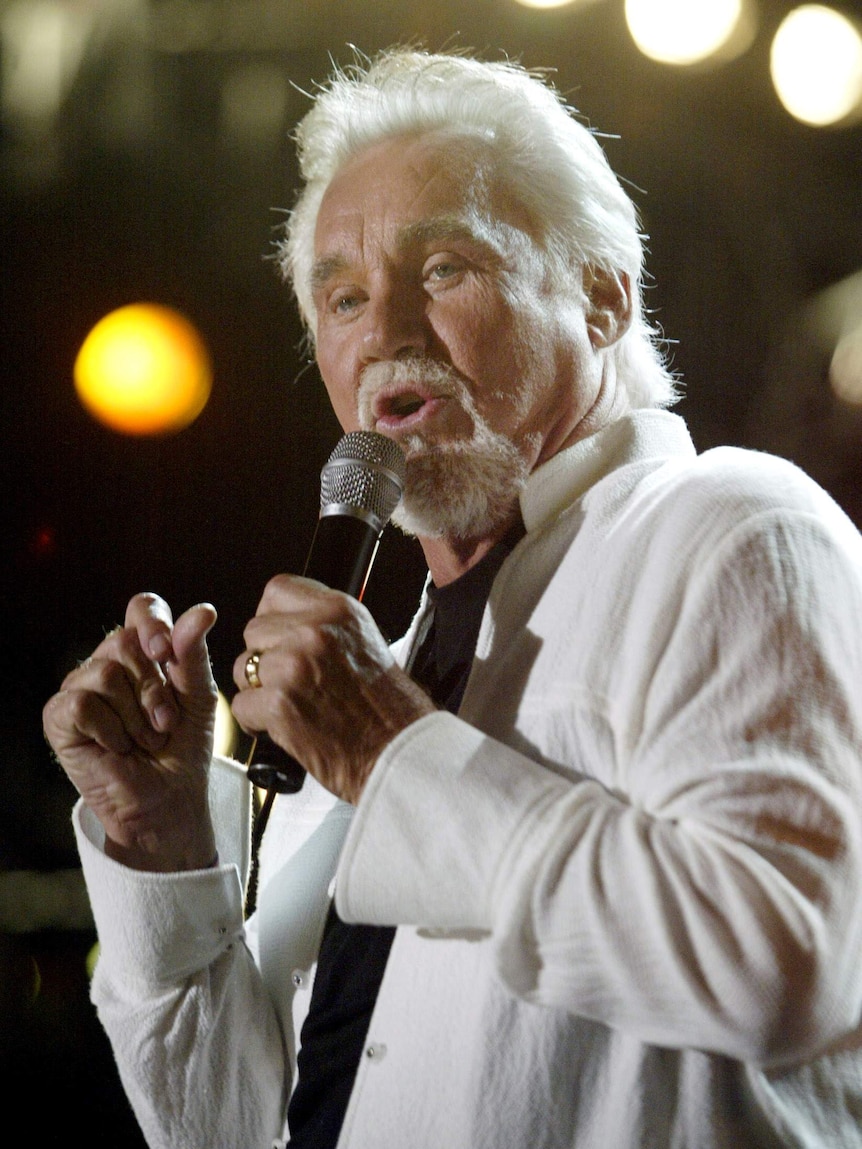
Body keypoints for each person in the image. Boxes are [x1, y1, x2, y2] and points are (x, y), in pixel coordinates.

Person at [42, 47, 862, 1149]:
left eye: (444, 270)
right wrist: (165, 846)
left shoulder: (731, 525)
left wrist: (391, 758)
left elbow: (789, 965)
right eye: (341, 296)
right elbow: (226, 1128)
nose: (382, 330)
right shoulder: (376, 676)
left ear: (602, 297)